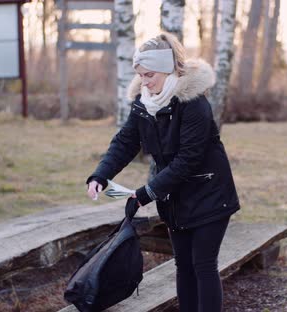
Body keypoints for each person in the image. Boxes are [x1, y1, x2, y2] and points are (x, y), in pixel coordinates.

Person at [85, 32, 240, 312]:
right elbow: (126, 141)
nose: (144, 81)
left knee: (203, 265)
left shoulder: (194, 103)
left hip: (209, 194)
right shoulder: (144, 102)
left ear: (168, 69)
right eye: (140, 75)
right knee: (183, 265)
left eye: (150, 75)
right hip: (175, 196)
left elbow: (188, 160)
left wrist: (146, 193)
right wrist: (100, 175)